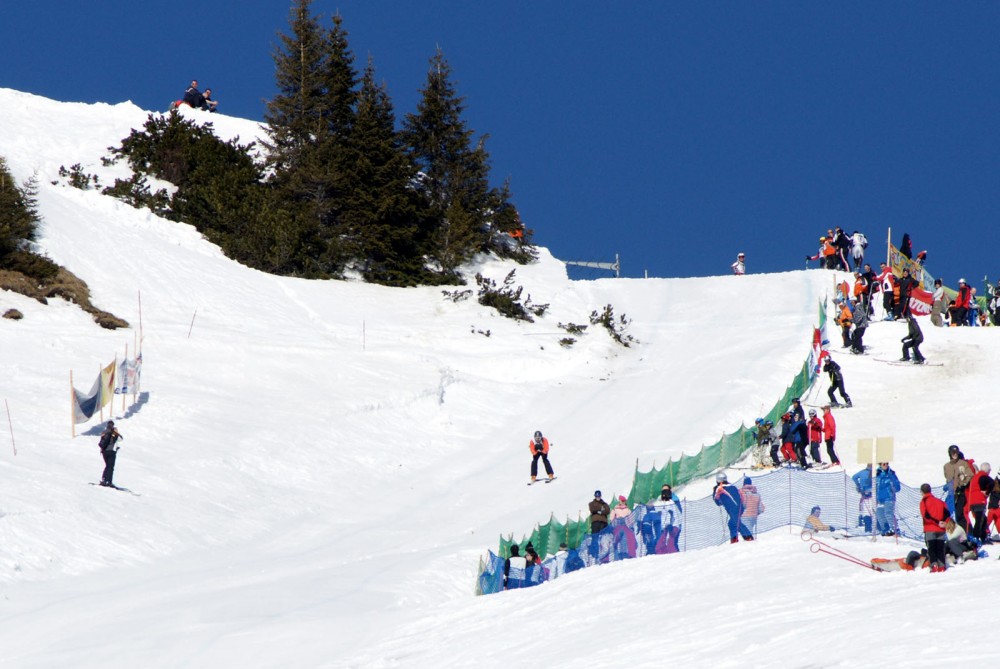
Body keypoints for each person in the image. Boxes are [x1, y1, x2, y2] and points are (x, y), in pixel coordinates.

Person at [713, 472, 753, 543]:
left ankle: (748, 537)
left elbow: (717, 502)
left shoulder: (719, 488)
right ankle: (734, 538)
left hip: (732, 509)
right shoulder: (732, 486)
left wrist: (716, 494)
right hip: (740, 507)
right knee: (731, 523)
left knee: (737, 523)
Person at [943, 445, 974, 531]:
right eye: (953, 453)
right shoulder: (946, 466)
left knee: (959, 514)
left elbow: (970, 475)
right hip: (951, 493)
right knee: (947, 513)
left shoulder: (962, 464)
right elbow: (948, 478)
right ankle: (951, 531)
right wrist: (947, 486)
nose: (955, 454)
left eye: (956, 452)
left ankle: (967, 533)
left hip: (960, 493)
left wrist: (963, 483)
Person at [967, 462, 993, 544]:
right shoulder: (983, 476)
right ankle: (976, 538)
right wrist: (987, 492)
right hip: (979, 501)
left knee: (983, 519)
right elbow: (992, 482)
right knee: (979, 520)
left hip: (972, 501)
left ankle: (982, 537)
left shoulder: (975, 477)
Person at [874, 462, 901, 536]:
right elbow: (874, 486)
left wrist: (892, 484)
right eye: (883, 464)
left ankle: (895, 529)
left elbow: (898, 487)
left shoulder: (891, 474)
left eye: (886, 464)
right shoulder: (877, 474)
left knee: (888, 513)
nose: (885, 465)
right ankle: (885, 529)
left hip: (889, 498)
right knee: (880, 514)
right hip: (880, 499)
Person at [98, 420, 123, 486]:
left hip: (104, 452)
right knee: (110, 467)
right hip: (111, 451)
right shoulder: (114, 432)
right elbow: (121, 439)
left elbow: (101, 441)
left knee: (107, 466)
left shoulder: (104, 432)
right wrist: (116, 432)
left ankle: (104, 479)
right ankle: (108, 481)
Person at [851, 464, 874, 533]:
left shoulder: (862, 472)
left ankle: (863, 521)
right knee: (871, 511)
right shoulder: (873, 473)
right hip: (871, 494)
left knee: (864, 509)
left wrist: (858, 485)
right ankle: (870, 527)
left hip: (863, 493)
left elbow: (854, 477)